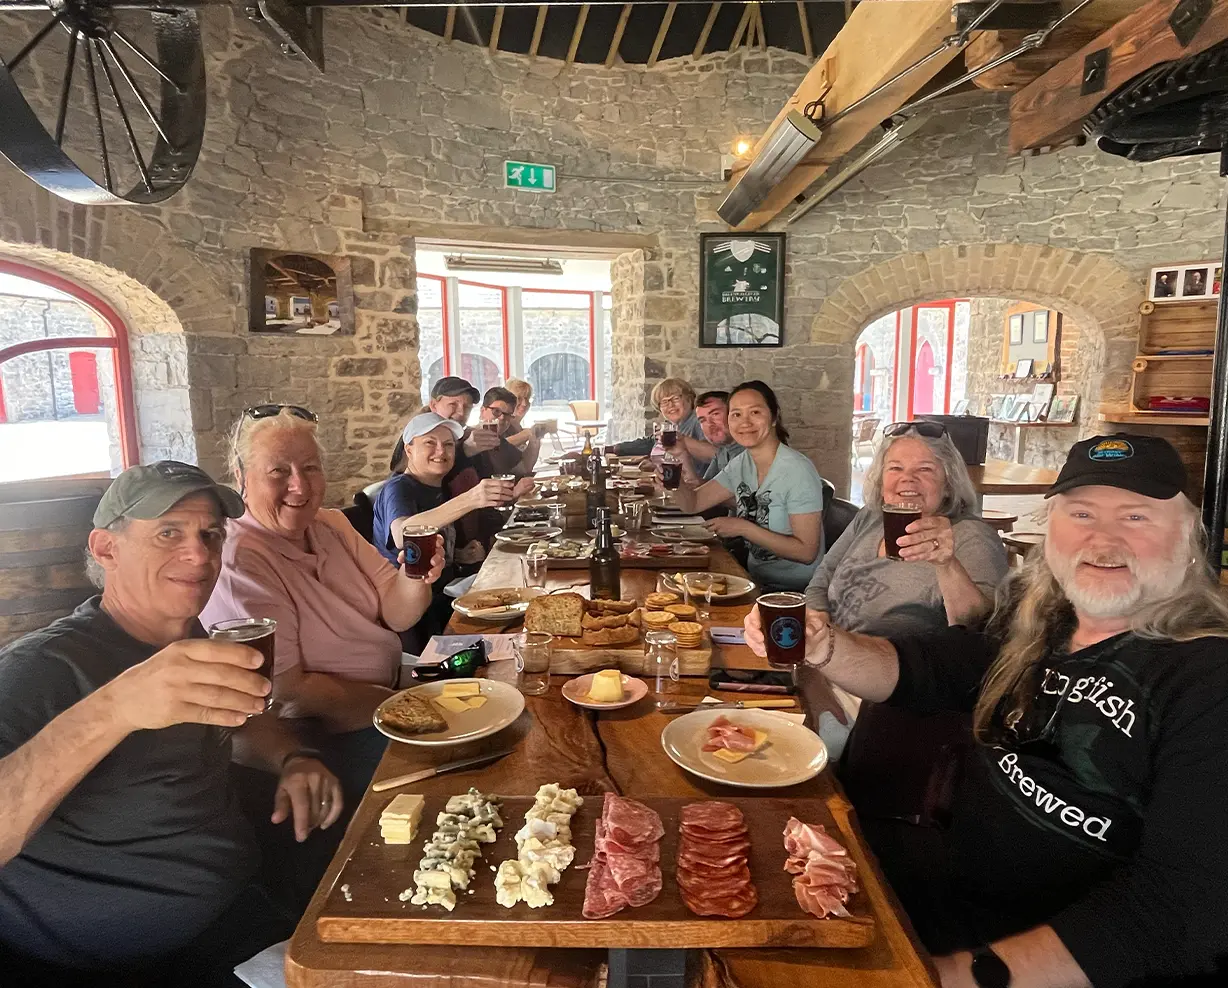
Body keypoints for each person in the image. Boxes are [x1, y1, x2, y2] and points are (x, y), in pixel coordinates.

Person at [744, 434, 1228, 988]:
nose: (1103, 537)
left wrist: (947, 976)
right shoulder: (1040, 627)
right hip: (938, 889)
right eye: (1082, 512)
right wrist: (822, 645)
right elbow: (921, 669)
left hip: (1025, 961)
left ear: (1188, 537)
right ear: (1052, 529)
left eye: (1137, 516)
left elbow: (1178, 910)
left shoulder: (1205, 679)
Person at [0, 461, 342, 987]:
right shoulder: (42, 667)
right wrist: (115, 708)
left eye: (211, 534)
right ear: (105, 548)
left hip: (242, 914)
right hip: (120, 960)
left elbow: (238, 723)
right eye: (168, 533)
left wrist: (291, 759)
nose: (200, 555)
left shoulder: (199, 637)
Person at [201, 405, 444, 800]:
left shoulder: (330, 523)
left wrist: (417, 576)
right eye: (278, 471)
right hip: (323, 736)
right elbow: (291, 689)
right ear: (241, 477)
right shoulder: (239, 558)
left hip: (391, 693)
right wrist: (402, 708)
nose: (300, 486)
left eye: (310, 468)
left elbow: (398, 613)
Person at [803, 420, 1008, 765]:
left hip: (879, 700)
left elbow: (979, 635)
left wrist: (946, 563)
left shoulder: (970, 537)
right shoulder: (870, 518)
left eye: (925, 469)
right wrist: (816, 622)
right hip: (821, 667)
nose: (907, 479)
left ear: (948, 484)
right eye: (895, 468)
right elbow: (820, 579)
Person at [371, 412, 516, 646]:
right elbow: (402, 534)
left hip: (446, 594)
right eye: (430, 443)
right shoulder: (399, 488)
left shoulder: (440, 487)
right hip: (414, 616)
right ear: (409, 450)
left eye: (448, 445)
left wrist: (458, 554)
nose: (441, 451)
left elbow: (437, 538)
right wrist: (471, 498)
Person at [670, 380, 825, 591]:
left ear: (773, 417)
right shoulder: (743, 462)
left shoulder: (797, 471)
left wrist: (742, 528)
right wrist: (674, 478)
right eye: (736, 415)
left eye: (755, 413)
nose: (745, 423)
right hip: (751, 579)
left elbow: (806, 553)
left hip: (796, 591)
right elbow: (695, 503)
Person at [613, 377, 713, 473]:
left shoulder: (698, 421)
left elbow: (714, 454)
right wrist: (656, 464)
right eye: (664, 402)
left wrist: (682, 440)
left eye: (675, 398)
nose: (670, 405)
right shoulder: (672, 426)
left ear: (689, 399)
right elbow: (653, 443)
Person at [678, 390, 744, 487]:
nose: (709, 424)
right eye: (702, 420)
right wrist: (682, 453)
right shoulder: (723, 451)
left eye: (715, 414)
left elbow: (742, 499)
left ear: (735, 414)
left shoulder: (750, 451)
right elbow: (705, 485)